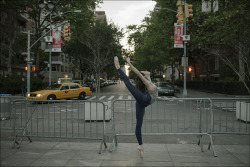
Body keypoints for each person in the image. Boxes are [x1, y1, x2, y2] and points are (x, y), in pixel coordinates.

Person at [114, 56, 158, 158]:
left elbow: (139, 73)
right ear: (145, 76)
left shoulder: (149, 82)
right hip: (144, 101)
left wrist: (129, 63)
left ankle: (118, 68)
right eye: (145, 71)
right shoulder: (148, 82)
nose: (146, 71)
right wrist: (129, 63)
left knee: (128, 84)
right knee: (138, 124)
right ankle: (141, 146)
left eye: (146, 71)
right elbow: (138, 73)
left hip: (144, 100)